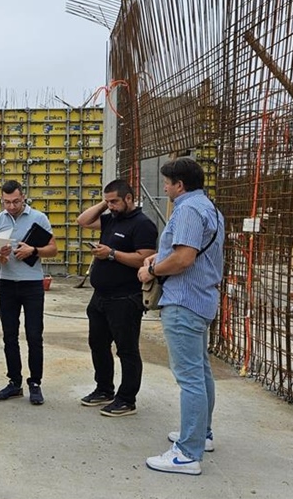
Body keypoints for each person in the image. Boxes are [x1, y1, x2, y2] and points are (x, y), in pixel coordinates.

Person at [138, 157, 224, 475]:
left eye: (167, 182)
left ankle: (188, 453)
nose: (164, 187)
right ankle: (202, 434)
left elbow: (184, 257)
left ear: (180, 185)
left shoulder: (187, 209)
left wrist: (151, 270)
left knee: (189, 379)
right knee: (201, 373)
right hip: (202, 300)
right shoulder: (210, 208)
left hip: (184, 301)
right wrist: (160, 257)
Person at [75, 180, 157, 417]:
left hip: (125, 298)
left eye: (115, 201)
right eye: (108, 201)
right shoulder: (111, 218)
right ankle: (104, 389)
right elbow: (83, 221)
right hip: (100, 297)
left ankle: (127, 398)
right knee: (98, 345)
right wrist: (105, 203)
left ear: (129, 198)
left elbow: (145, 258)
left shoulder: (142, 225)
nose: (110, 205)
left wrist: (110, 254)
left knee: (127, 350)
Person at [0, 180, 56, 405]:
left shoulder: (39, 218)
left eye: (15, 201)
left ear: (23, 196)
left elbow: (53, 249)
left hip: (32, 284)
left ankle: (35, 383)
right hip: (6, 283)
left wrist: (33, 250)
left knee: (34, 334)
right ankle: (14, 382)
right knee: (10, 335)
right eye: (6, 202)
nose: (11, 206)